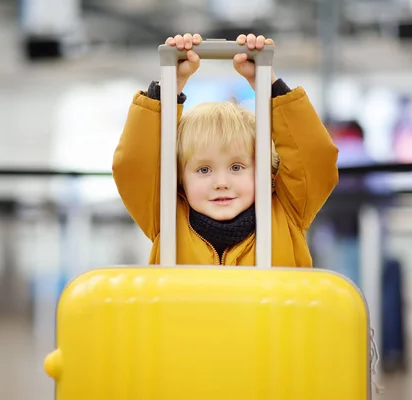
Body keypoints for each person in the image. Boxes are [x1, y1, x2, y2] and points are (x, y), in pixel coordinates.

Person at [112, 33, 339, 267]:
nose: (221, 182)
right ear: (180, 178)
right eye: (203, 170)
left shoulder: (288, 211)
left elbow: (315, 159)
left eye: (236, 167)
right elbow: (133, 165)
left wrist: (269, 85)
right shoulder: (165, 214)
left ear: (266, 170)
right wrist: (169, 87)